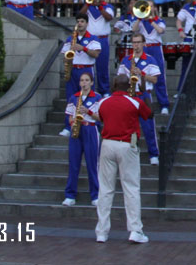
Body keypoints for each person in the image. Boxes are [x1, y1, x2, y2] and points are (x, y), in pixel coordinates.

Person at [94, 73, 151, 245]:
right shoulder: (134, 102)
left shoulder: (104, 102)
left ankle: (102, 232)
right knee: (131, 188)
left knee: (105, 189)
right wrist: (144, 91)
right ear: (128, 86)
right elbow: (149, 114)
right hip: (127, 144)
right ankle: (135, 230)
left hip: (107, 144)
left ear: (113, 86)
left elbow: (100, 116)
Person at [117, 33, 161, 165]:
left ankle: (154, 154)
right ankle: (129, 153)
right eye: (134, 43)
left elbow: (155, 79)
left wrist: (141, 74)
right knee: (127, 126)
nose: (135, 45)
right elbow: (120, 79)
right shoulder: (126, 60)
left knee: (148, 127)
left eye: (138, 42)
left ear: (143, 43)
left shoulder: (150, 59)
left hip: (143, 95)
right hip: (130, 95)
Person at [61, 72, 103, 207]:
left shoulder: (97, 97)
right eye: (82, 80)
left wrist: (88, 112)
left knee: (92, 164)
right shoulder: (74, 98)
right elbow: (69, 116)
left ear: (91, 82)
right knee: (73, 164)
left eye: (86, 80)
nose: (84, 83)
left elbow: (101, 118)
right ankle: (70, 195)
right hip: (76, 131)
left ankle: (95, 195)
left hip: (90, 129)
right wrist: (73, 122)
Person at [131, 0, 169, 114]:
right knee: (139, 75)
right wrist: (139, 17)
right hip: (144, 48)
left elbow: (161, 30)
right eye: (147, 6)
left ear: (154, 8)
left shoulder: (160, 21)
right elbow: (133, 29)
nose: (149, 8)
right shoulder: (140, 21)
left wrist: (151, 20)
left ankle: (164, 104)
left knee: (159, 76)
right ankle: (139, 103)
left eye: (151, 6)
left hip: (156, 48)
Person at [78, 0, 114, 95]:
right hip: (89, 40)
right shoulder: (88, 7)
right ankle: (90, 90)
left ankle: (104, 90)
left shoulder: (107, 7)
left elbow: (109, 17)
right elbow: (81, 15)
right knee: (88, 65)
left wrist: (100, 7)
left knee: (102, 66)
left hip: (102, 39)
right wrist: (88, 4)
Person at [60, 16, 101, 101]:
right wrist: (69, 56)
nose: (79, 23)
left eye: (82, 21)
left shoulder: (93, 38)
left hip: (86, 69)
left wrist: (83, 48)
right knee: (71, 97)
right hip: (73, 69)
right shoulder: (70, 39)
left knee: (88, 97)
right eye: (78, 21)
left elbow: (96, 54)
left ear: (87, 23)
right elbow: (64, 57)